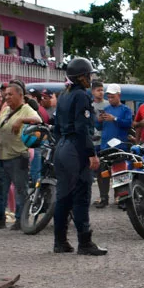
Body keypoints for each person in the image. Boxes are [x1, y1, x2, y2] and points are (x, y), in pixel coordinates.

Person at [51, 58, 107, 255]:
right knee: (81, 196)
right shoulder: (81, 96)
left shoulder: (63, 95)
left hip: (62, 147)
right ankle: (85, 242)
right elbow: (83, 128)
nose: (91, 79)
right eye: (89, 75)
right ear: (81, 77)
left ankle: (60, 241)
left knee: (63, 197)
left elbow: (57, 127)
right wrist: (91, 153)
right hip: (76, 147)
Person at [0, 82, 41, 230]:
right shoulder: (6, 110)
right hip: (1, 156)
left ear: (20, 95)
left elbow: (39, 121)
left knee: (20, 189)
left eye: (11, 94)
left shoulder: (27, 110)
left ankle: (20, 220)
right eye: (6, 95)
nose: (7, 97)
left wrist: (21, 120)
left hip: (17, 155)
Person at [94, 84, 133, 208]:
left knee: (120, 173)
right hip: (105, 145)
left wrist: (115, 119)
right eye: (109, 97)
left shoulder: (125, 109)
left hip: (120, 146)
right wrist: (99, 121)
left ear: (119, 96)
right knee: (103, 173)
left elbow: (128, 124)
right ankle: (104, 197)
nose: (110, 99)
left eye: (112, 97)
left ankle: (122, 198)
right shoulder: (106, 108)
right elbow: (98, 127)